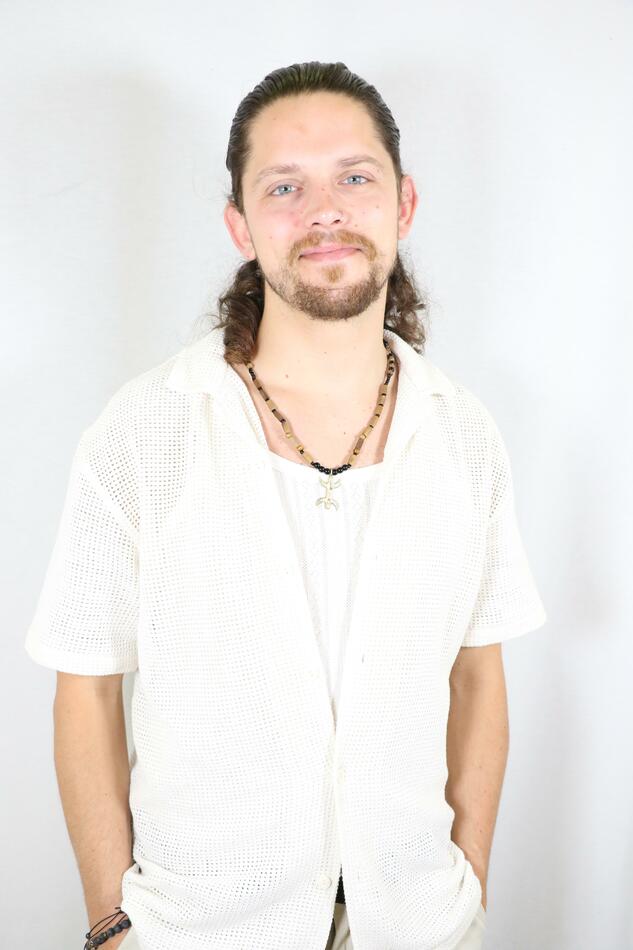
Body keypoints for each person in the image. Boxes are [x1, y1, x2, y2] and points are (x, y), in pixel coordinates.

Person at [25, 61, 547, 950]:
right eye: (283, 187)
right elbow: (86, 688)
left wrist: (467, 890)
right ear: (239, 223)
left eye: (355, 177)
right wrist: (112, 927)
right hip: (198, 931)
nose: (324, 211)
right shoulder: (144, 431)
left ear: (402, 203)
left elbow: (477, 674)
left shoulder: (464, 435)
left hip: (418, 926)